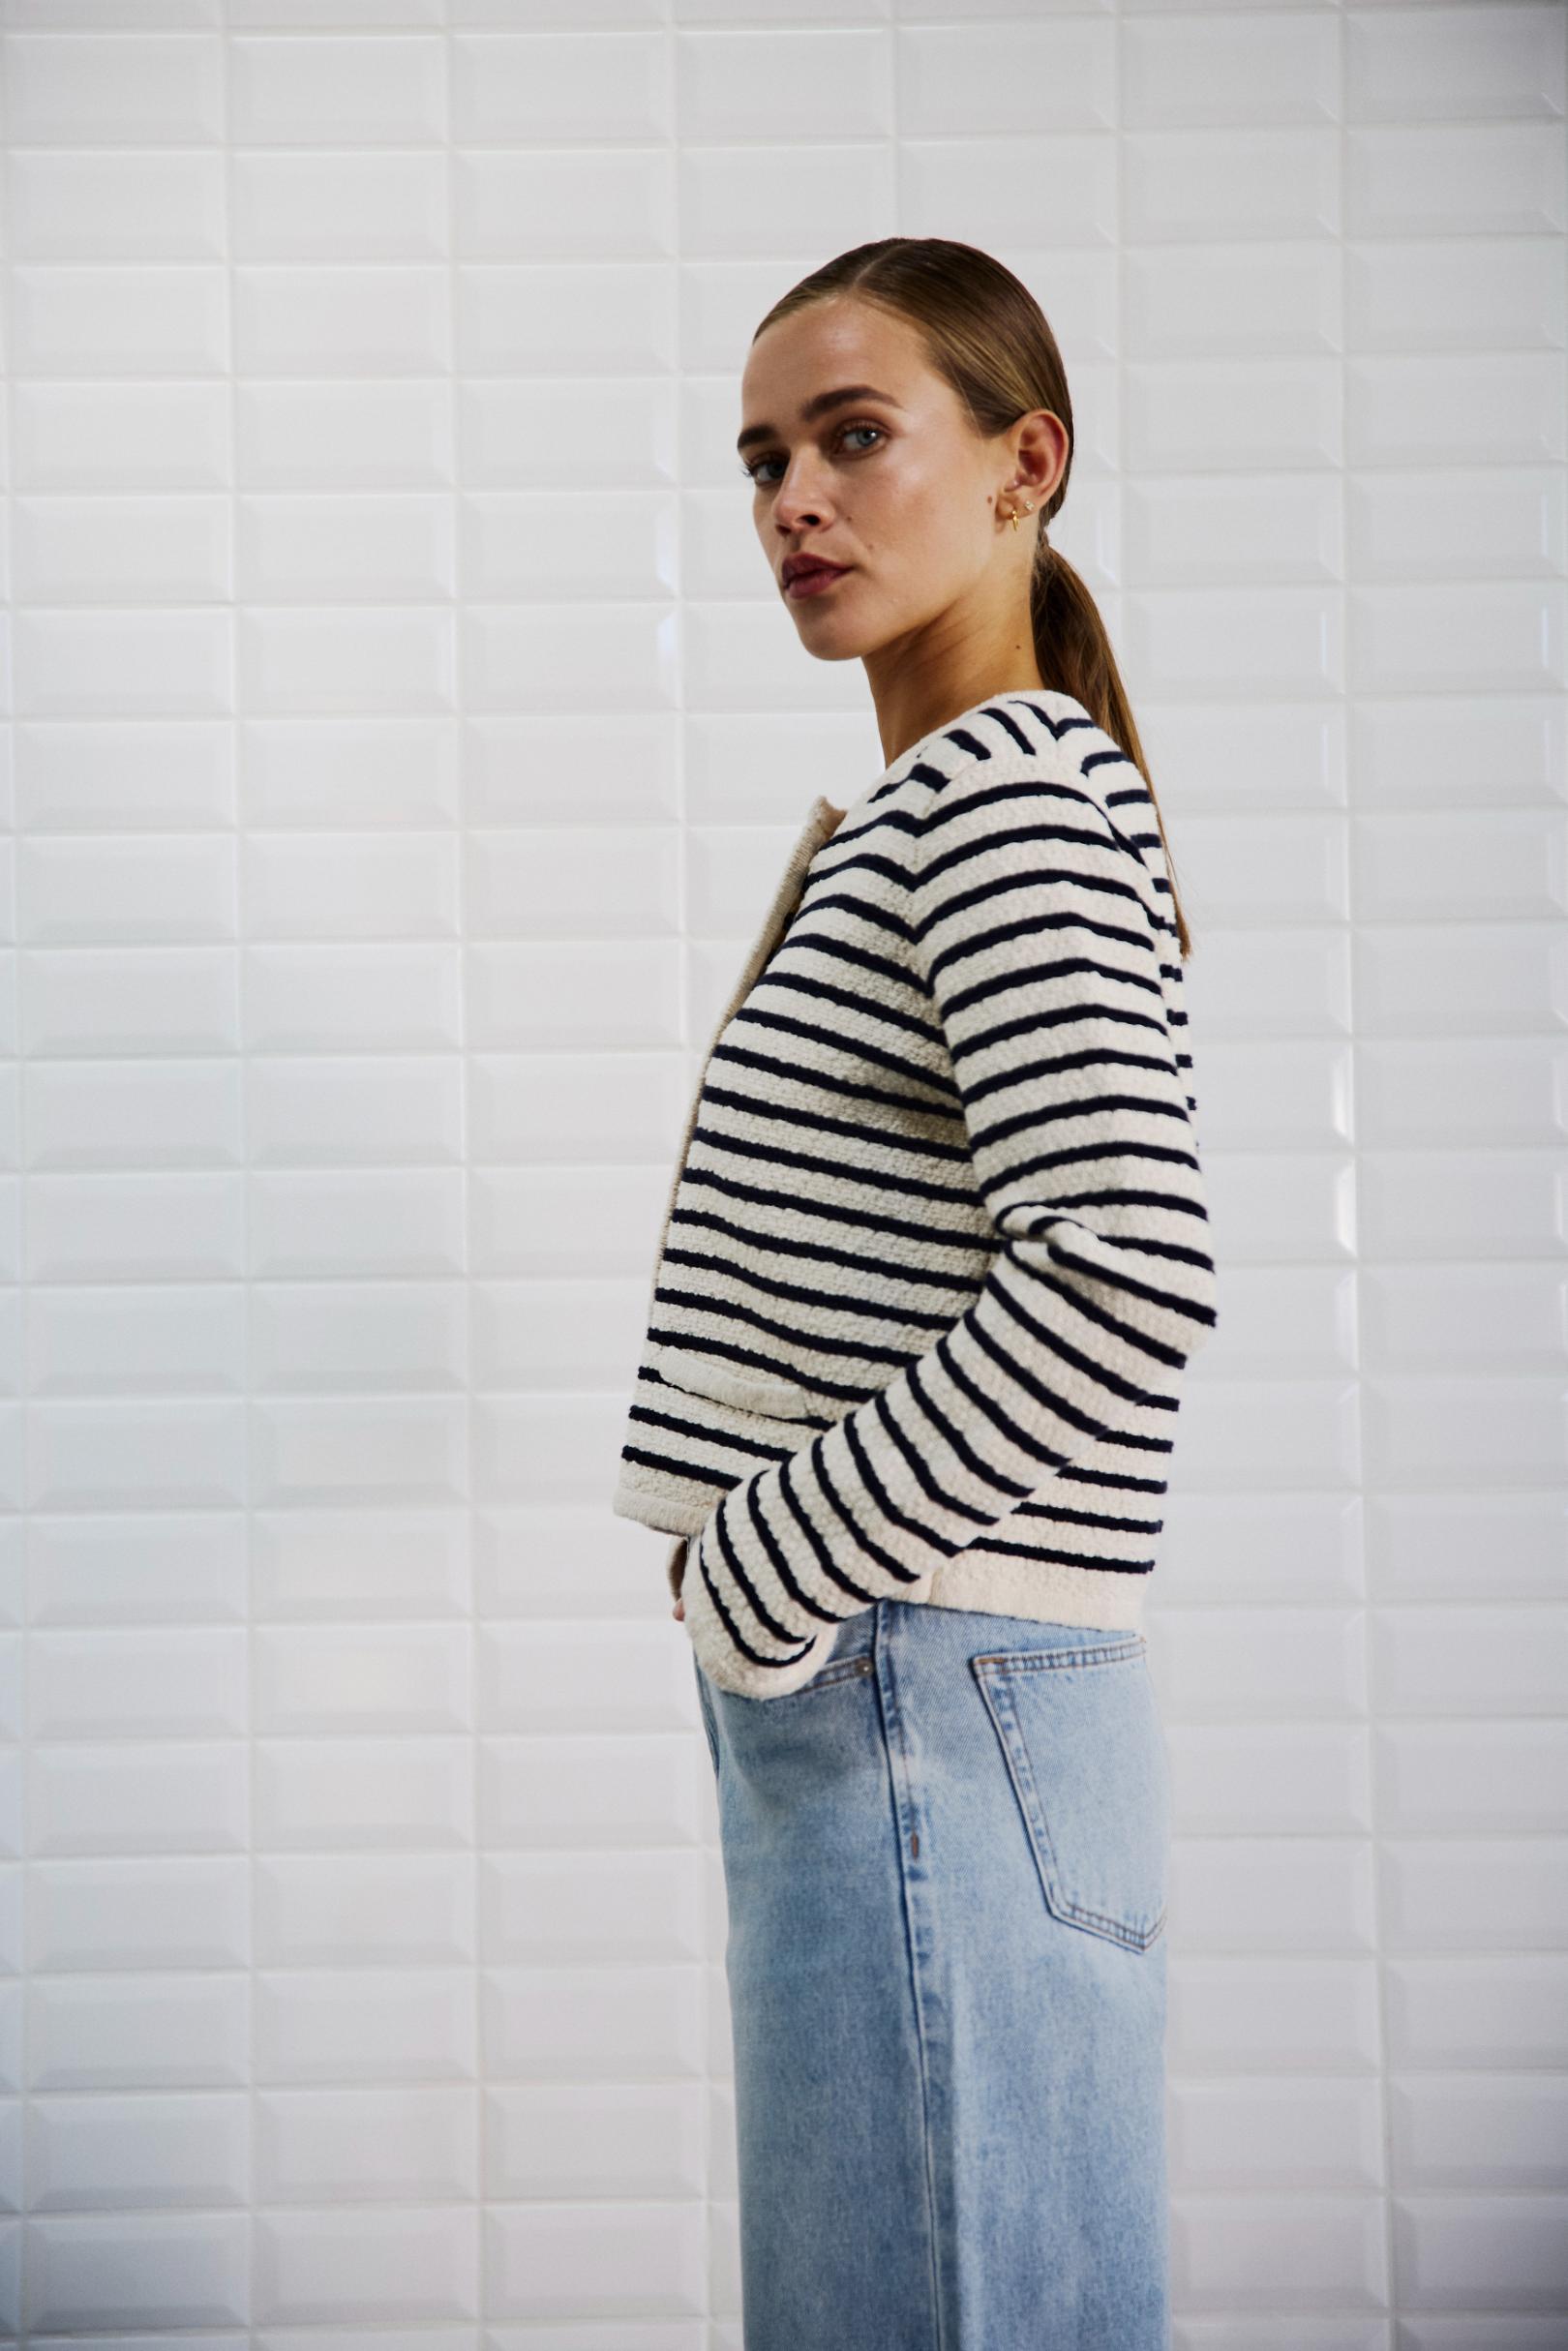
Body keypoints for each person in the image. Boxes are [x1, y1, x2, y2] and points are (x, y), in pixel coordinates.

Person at [611, 235, 1221, 2349]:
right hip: (919, 1700)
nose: (795, 499)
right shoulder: (956, 802)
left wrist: (766, 1568)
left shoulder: (1000, 799)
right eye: (762, 458)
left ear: (1025, 463)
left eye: (855, 437)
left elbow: (1123, 1267)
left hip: (917, 1694)